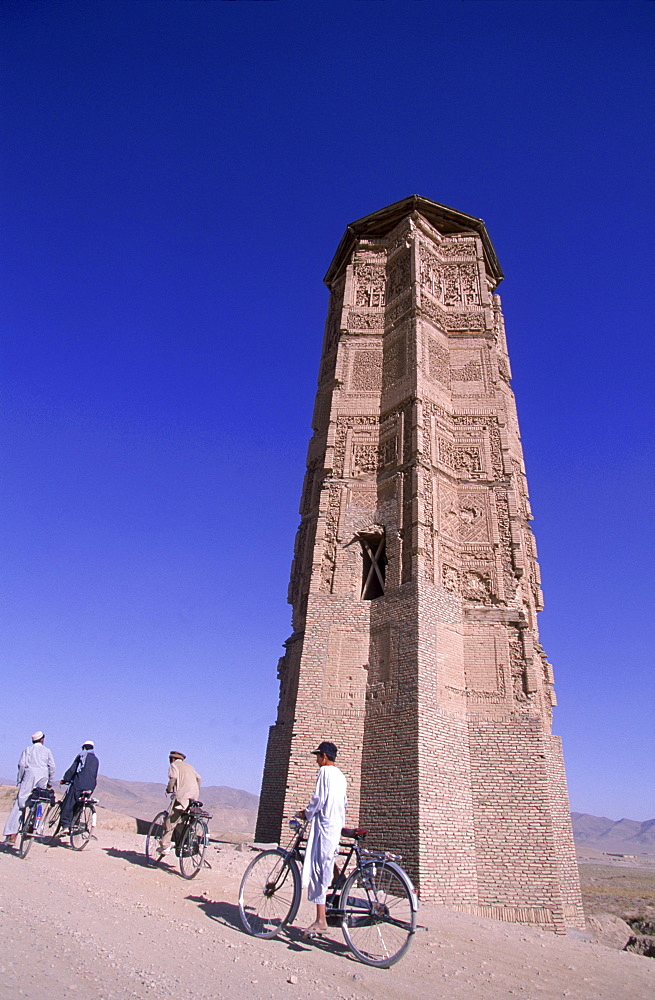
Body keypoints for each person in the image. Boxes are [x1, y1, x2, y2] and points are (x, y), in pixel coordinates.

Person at [296, 740, 348, 937]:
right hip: (336, 824)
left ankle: (321, 920)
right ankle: (338, 886)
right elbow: (344, 802)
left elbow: (318, 799)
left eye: (318, 756)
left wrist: (305, 813)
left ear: (324, 757)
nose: (316, 760)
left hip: (325, 826)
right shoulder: (341, 776)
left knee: (319, 869)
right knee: (328, 863)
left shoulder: (325, 773)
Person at [3, 731, 56, 846]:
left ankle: (12, 835)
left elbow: (22, 765)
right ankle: (31, 826)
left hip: (29, 777)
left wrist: (20, 779)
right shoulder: (47, 751)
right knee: (38, 801)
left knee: (20, 804)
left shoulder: (28, 750)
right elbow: (52, 767)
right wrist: (50, 782)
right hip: (43, 778)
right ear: (42, 740)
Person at [158, 751, 201, 857]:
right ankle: (189, 840)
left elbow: (173, 778)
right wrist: (195, 791)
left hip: (182, 796)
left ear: (172, 759)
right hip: (193, 797)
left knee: (170, 821)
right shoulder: (190, 766)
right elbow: (199, 778)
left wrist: (169, 789)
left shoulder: (174, 765)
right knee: (182, 821)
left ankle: (165, 846)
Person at [59, 740, 99, 834]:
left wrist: (66, 779)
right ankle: (75, 822)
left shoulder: (82, 755)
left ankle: (65, 825)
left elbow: (73, 769)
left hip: (79, 783)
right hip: (91, 786)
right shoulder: (96, 759)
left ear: (84, 747)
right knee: (80, 803)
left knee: (68, 803)